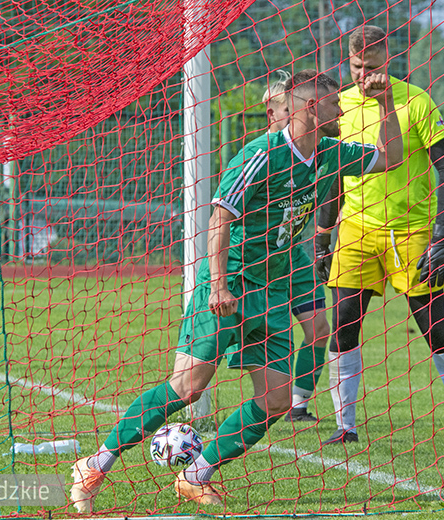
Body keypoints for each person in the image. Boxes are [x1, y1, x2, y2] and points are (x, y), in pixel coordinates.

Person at [69, 68, 403, 512]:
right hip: (230, 283)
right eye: (332, 104)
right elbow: (220, 218)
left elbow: (392, 157)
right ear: (308, 108)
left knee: (277, 400)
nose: (341, 111)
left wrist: (385, 103)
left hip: (274, 287)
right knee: (188, 387)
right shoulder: (261, 155)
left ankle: (195, 473)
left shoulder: (331, 153)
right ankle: (95, 464)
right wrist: (219, 285)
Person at [315, 25, 444, 446]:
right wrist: (321, 239)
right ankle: (344, 425)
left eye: (370, 66)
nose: (362, 75)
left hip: (412, 231)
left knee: (433, 325)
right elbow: (333, 173)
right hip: (356, 230)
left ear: (388, 61)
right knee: (344, 324)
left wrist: (441, 235)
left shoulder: (415, 100)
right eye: (355, 67)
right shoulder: (340, 106)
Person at [261, 71, 330, 423]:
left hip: (293, 258)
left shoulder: (317, 152)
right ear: (270, 113)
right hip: (256, 264)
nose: (283, 114)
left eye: (287, 107)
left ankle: (298, 405)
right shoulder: (260, 157)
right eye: (276, 108)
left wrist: (322, 239)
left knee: (319, 328)